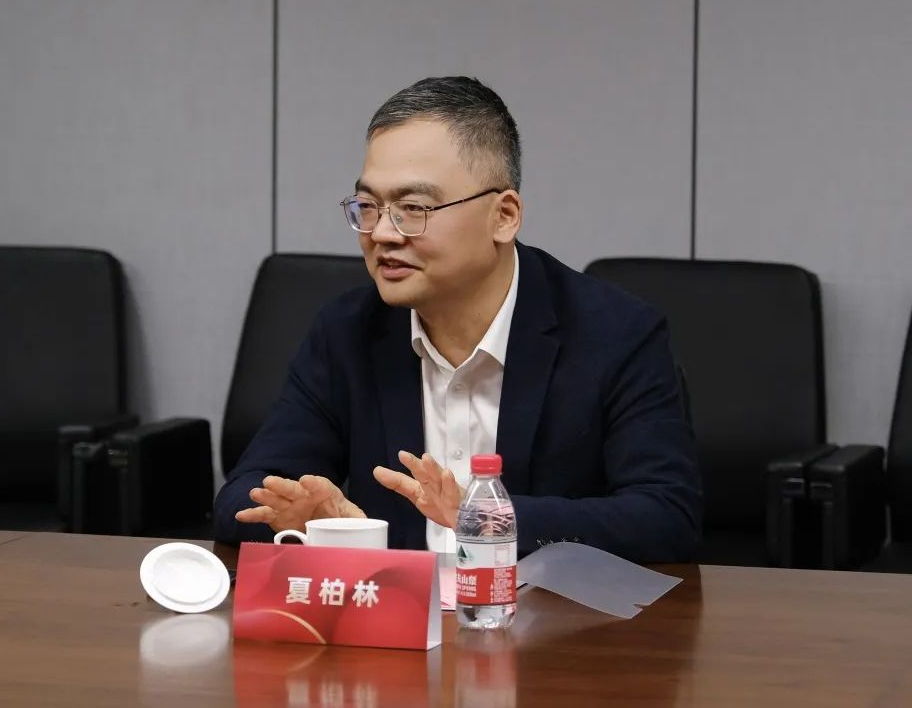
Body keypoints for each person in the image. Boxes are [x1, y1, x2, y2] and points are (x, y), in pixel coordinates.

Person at [213, 76, 702, 562]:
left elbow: (666, 516)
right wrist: (313, 521)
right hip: (395, 609)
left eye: (413, 208)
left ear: (503, 216)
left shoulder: (616, 334)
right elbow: (241, 494)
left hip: (543, 610)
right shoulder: (347, 332)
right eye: (368, 206)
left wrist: (488, 517)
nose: (382, 233)